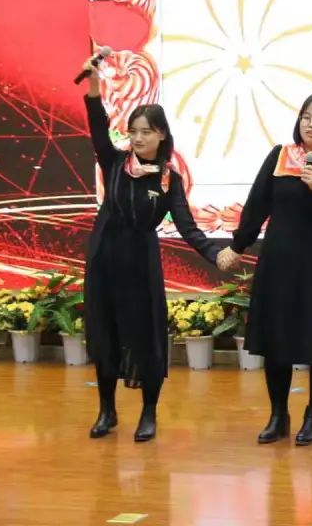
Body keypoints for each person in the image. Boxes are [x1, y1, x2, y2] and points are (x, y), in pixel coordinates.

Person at [81, 55, 230, 443]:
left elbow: (187, 226)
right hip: (104, 258)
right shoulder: (115, 162)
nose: (138, 138)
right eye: (133, 131)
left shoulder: (168, 179)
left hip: (140, 264)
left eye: (146, 131)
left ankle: (149, 412)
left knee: (145, 337)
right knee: (105, 333)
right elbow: (97, 128)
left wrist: (215, 253)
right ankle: (107, 410)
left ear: (161, 134)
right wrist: (94, 87)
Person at [217, 93, 312, 446]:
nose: (311, 124)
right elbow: (257, 204)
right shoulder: (280, 156)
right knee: (277, 340)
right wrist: (238, 244)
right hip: (278, 261)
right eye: (306, 116)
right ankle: (278, 414)